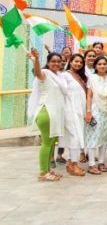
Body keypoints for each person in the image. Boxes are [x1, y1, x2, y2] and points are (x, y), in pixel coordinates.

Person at [28, 49, 66, 181]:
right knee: (46, 143)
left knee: (52, 143)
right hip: (47, 113)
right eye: (53, 61)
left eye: (58, 61)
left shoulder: (60, 76)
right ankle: (43, 172)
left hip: (56, 115)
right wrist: (36, 59)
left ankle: (49, 169)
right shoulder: (45, 73)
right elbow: (38, 73)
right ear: (48, 63)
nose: (56, 63)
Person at [59, 54, 88, 176]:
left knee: (76, 136)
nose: (78, 64)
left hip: (80, 110)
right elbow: (62, 92)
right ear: (70, 62)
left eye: (80, 62)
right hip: (70, 110)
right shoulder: (65, 75)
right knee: (74, 137)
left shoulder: (82, 76)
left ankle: (71, 162)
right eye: (76, 61)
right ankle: (74, 164)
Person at [84, 56, 107, 175]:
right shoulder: (92, 78)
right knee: (93, 136)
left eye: (104, 64)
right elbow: (89, 96)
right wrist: (89, 111)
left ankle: (101, 162)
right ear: (95, 66)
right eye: (99, 64)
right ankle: (91, 164)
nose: (102, 66)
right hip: (95, 110)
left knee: (104, 137)